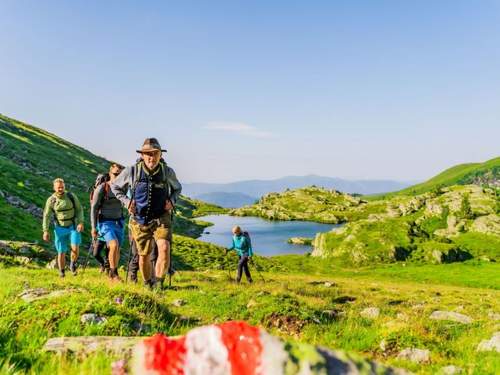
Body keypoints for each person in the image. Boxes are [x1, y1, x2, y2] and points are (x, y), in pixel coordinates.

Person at [111, 138, 182, 289]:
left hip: (161, 217)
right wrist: (127, 202)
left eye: (155, 153)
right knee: (143, 256)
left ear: (160, 155)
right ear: (142, 155)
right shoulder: (132, 171)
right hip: (139, 219)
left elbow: (178, 188)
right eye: (148, 154)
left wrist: (172, 200)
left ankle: (158, 284)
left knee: (164, 247)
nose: (151, 157)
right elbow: (115, 186)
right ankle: (147, 283)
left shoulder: (167, 172)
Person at [42, 178, 84, 277]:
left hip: (73, 226)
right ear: (54, 188)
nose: (60, 189)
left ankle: (72, 264)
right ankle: (62, 272)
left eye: (62, 187)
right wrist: (45, 230)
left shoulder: (71, 196)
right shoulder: (51, 200)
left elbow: (79, 210)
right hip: (59, 228)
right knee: (61, 251)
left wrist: (80, 222)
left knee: (75, 248)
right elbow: (46, 216)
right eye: (58, 187)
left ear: (64, 186)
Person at [90, 163, 125, 281]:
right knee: (113, 245)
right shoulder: (102, 188)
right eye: (115, 174)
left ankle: (112, 274)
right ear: (110, 172)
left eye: (120, 174)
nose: (117, 176)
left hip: (119, 222)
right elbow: (94, 208)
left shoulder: (124, 188)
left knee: (117, 248)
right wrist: (93, 228)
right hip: (105, 222)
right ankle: (114, 273)